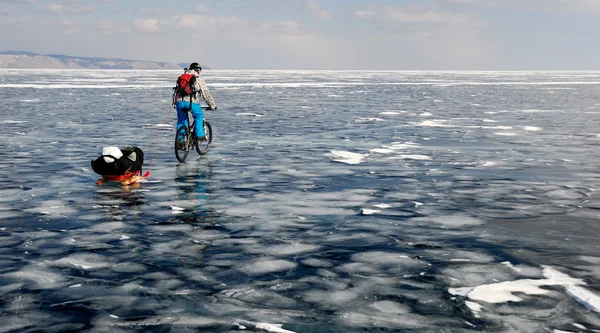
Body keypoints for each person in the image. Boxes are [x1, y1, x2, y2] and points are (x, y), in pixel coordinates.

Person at [174, 62, 217, 141]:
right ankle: (199, 135)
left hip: (179, 102)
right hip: (191, 102)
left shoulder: (181, 78)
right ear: (196, 70)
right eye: (198, 70)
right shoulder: (198, 80)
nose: (199, 71)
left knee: (182, 120)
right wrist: (212, 106)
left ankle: (180, 142)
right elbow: (206, 95)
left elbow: (176, 91)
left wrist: (175, 103)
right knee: (199, 115)